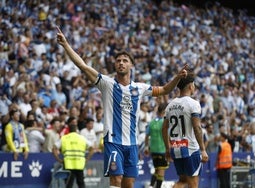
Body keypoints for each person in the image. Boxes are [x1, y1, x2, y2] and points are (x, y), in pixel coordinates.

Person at [56, 27, 188, 188]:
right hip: (113, 141)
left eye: (125, 60)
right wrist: (66, 45)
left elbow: (165, 90)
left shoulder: (139, 88)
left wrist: (177, 77)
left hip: (132, 144)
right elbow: (83, 66)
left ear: (131, 65)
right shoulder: (107, 84)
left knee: (128, 184)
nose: (121, 63)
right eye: (118, 60)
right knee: (115, 180)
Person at [162, 73, 209, 188]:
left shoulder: (170, 105)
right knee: (193, 184)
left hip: (176, 148)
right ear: (190, 86)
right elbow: (197, 127)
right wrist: (203, 149)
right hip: (191, 149)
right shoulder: (193, 104)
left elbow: (164, 128)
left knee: (182, 181)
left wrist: (168, 148)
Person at [52, 116, 94, 188]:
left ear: (69, 130)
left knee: (69, 185)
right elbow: (92, 148)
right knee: (81, 184)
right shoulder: (82, 138)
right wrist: (87, 159)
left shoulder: (64, 138)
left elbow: (54, 148)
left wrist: (58, 159)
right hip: (79, 164)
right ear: (76, 130)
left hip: (68, 165)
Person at [144, 103, 168, 188]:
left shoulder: (151, 123)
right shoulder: (165, 123)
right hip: (162, 150)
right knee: (161, 171)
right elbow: (168, 137)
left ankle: (151, 186)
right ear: (164, 112)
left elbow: (147, 136)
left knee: (157, 169)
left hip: (153, 150)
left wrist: (147, 147)